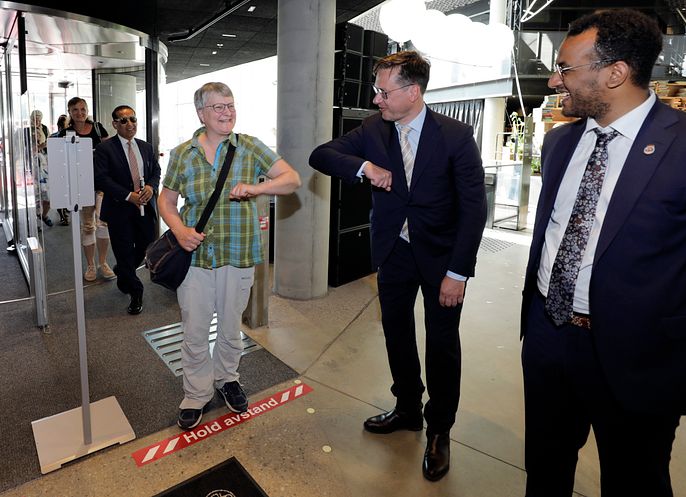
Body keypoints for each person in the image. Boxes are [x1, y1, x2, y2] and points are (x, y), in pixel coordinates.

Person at [520, 9, 686, 497]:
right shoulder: (559, 142)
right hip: (548, 336)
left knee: (633, 480)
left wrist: (656, 316)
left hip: (638, 355)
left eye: (566, 68)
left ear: (615, 73)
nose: (556, 79)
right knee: (544, 466)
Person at [308, 50, 487, 482]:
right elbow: (321, 155)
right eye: (376, 91)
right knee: (397, 332)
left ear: (413, 92)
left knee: (442, 344)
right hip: (395, 253)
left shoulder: (456, 136)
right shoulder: (374, 130)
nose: (376, 100)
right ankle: (408, 409)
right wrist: (365, 166)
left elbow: (474, 208)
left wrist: (458, 272)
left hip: (443, 259)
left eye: (384, 93)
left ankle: (440, 429)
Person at [159, 82, 301, 430]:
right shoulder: (182, 154)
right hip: (195, 258)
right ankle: (195, 394)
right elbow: (166, 201)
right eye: (218, 107)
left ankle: (227, 380)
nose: (227, 112)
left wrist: (257, 188)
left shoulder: (250, 148)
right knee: (194, 330)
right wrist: (179, 231)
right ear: (201, 114)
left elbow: (292, 179)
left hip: (238, 255)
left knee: (230, 327)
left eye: (231, 105)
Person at [94, 105, 160, 315]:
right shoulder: (105, 149)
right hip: (119, 208)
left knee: (146, 245)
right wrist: (128, 195)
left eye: (133, 119)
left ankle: (123, 270)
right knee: (123, 250)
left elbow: (155, 171)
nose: (130, 124)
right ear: (114, 124)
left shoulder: (146, 147)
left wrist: (150, 186)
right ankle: (135, 291)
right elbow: (101, 179)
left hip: (144, 208)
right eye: (124, 121)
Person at [65, 97, 114, 282]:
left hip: (102, 184)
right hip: (81, 186)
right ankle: (91, 265)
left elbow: (109, 151)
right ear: (70, 112)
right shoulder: (66, 133)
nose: (80, 113)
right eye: (75, 109)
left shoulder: (98, 128)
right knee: (87, 227)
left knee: (103, 224)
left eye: (83, 109)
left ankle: (103, 263)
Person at [52, 114, 71, 225]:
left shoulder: (71, 134)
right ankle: (63, 216)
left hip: (67, 169)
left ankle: (64, 215)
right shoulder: (56, 136)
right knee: (61, 193)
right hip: (60, 169)